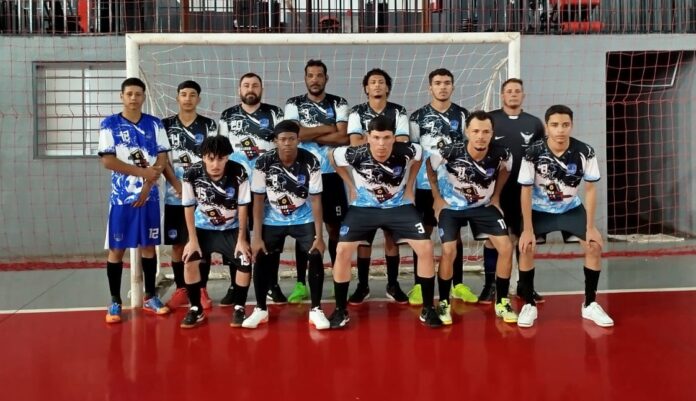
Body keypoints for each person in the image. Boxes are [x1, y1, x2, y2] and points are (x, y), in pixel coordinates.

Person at [328, 115, 441, 328]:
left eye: (387, 138)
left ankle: (428, 308)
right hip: (363, 208)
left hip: (398, 207)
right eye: (376, 138)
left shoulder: (407, 150)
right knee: (342, 250)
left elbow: (420, 156)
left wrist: (409, 186)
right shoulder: (354, 153)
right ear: (368, 137)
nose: (381, 144)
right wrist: (350, 185)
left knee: (426, 247)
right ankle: (340, 310)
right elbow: (331, 156)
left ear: (394, 138)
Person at [516, 104, 614, 328]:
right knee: (526, 247)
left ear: (572, 126)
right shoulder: (533, 152)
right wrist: (528, 229)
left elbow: (590, 189)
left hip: (570, 208)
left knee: (593, 246)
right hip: (539, 210)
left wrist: (591, 226)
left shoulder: (585, 152)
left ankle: (590, 304)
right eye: (554, 125)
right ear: (547, 127)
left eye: (565, 125)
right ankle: (529, 304)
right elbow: (526, 190)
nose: (560, 130)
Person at [427, 110, 518, 325]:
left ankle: (502, 301)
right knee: (449, 250)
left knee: (506, 247)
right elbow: (430, 167)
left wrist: (496, 196)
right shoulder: (449, 151)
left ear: (492, 133)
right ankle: (444, 302)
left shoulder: (502, 153)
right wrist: (437, 198)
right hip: (452, 207)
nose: (480, 136)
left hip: (483, 206)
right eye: (476, 131)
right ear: (467, 132)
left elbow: (505, 170)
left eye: (486, 132)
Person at [98, 77, 171, 323]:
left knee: (148, 247)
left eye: (138, 94)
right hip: (122, 198)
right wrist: (142, 173)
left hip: (149, 196)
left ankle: (150, 296)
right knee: (117, 249)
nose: (133, 98)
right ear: (122, 96)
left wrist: (148, 184)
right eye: (129, 93)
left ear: (143, 97)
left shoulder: (154, 124)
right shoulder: (109, 124)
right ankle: (115, 302)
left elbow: (162, 157)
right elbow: (108, 161)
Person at [244, 121, 330, 329]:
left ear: (298, 140)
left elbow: (316, 199)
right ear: (276, 141)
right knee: (261, 255)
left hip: (303, 217)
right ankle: (261, 309)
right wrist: (256, 237)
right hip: (272, 218)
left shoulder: (311, 160)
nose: (287, 143)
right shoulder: (263, 162)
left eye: (291, 139)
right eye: (282, 139)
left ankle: (316, 310)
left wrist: (320, 236)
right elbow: (257, 200)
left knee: (315, 254)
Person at [284, 59, 350, 304]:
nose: (315, 79)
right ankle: (301, 283)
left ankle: (337, 278)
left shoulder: (338, 102)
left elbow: (344, 137)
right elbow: (295, 134)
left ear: (326, 78)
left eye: (319, 75)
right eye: (310, 75)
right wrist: (327, 128)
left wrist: (310, 133)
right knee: (306, 230)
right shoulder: (294, 103)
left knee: (334, 229)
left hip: (331, 174)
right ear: (305, 79)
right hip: (302, 174)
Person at [341, 68, 409, 305]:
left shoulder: (399, 111)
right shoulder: (357, 112)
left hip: (393, 182)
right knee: (364, 239)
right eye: (373, 82)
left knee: (391, 237)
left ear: (387, 87)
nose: (377, 85)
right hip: (365, 184)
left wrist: (370, 140)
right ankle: (363, 285)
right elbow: (354, 143)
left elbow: (403, 141)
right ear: (366, 88)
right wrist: (385, 142)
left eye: (381, 81)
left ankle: (393, 284)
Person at [408, 68, 475, 306]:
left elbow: (469, 150)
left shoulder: (463, 115)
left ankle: (457, 285)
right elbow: (413, 154)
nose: (443, 87)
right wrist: (410, 186)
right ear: (430, 88)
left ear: (453, 87)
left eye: (447, 83)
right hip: (425, 186)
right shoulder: (417, 117)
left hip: (454, 186)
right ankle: (419, 285)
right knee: (422, 236)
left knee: (453, 236)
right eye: (438, 83)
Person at [218, 72, 286, 304]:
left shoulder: (274, 113)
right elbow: (222, 150)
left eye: (255, 85)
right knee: (237, 236)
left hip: (268, 187)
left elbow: (282, 145)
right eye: (246, 85)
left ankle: (272, 284)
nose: (250, 89)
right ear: (239, 90)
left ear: (261, 89)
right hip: (236, 186)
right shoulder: (227, 115)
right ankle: (234, 286)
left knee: (270, 237)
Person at [179, 135, 253, 328]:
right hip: (202, 228)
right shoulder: (191, 174)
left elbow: (243, 206)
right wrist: (192, 240)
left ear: (227, 157)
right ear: (203, 157)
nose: (215, 164)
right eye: (210, 158)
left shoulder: (239, 172)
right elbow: (188, 206)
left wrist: (242, 239)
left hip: (231, 228)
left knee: (245, 260)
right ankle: (196, 308)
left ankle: (239, 307)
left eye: (220, 159)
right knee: (189, 260)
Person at [484, 78, 546, 304]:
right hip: (497, 191)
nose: (513, 94)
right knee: (493, 239)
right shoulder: (490, 119)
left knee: (524, 237)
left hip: (525, 192)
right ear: (502, 95)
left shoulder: (534, 123)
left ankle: (525, 286)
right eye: (509, 91)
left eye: (517, 91)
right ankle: (490, 286)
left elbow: (542, 156)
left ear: (523, 95)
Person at [161, 80, 218, 310]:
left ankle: (201, 288)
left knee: (201, 245)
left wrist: (200, 186)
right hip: (174, 196)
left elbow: (213, 157)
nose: (187, 98)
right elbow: (162, 160)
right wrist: (177, 185)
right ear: (177, 98)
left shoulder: (208, 125)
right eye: (183, 94)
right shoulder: (165, 125)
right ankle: (181, 289)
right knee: (177, 246)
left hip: (202, 197)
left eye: (192, 94)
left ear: (198, 99)